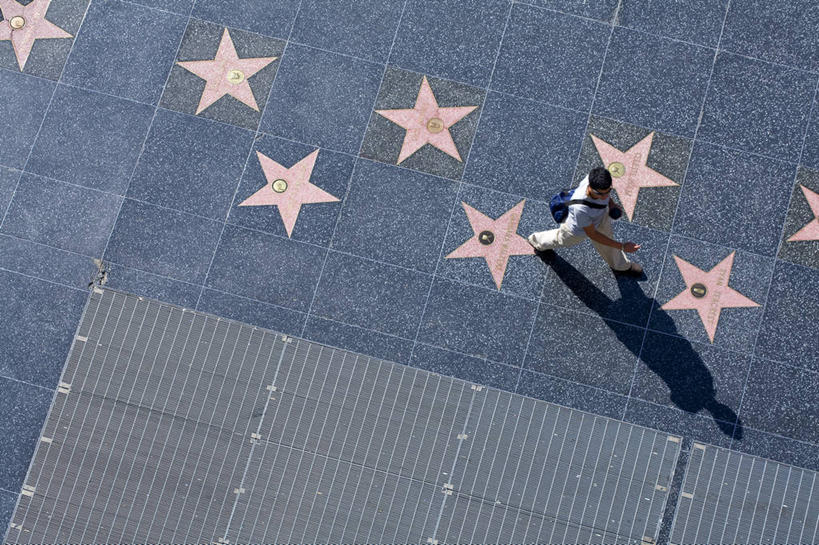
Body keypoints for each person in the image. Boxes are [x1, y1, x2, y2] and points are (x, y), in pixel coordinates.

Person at [527, 167, 643, 275]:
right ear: (590, 187)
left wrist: (612, 205)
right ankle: (537, 241)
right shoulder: (580, 209)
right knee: (561, 239)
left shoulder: (595, 179)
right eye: (600, 194)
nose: (605, 196)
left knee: (608, 241)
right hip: (577, 230)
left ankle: (621, 266)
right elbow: (593, 234)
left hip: (599, 216)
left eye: (609, 191)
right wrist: (622, 246)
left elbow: (605, 196)